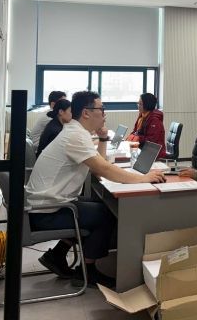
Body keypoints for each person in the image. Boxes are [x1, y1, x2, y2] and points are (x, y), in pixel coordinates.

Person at [26, 91, 165, 287]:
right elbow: (104, 169)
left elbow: (100, 164)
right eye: (101, 109)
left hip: (48, 205)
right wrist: (143, 178)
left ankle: (57, 255)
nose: (104, 114)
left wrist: (103, 139)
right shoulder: (75, 136)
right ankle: (86, 272)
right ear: (86, 113)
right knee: (106, 215)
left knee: (98, 204)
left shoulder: (75, 132)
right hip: (46, 212)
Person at [129, 93, 166, 158]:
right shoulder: (142, 116)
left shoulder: (155, 120)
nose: (138, 106)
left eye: (140, 104)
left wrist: (137, 138)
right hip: (143, 148)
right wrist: (131, 137)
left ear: (147, 105)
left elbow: (151, 140)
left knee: (129, 158)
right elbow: (136, 131)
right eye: (138, 103)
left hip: (153, 151)